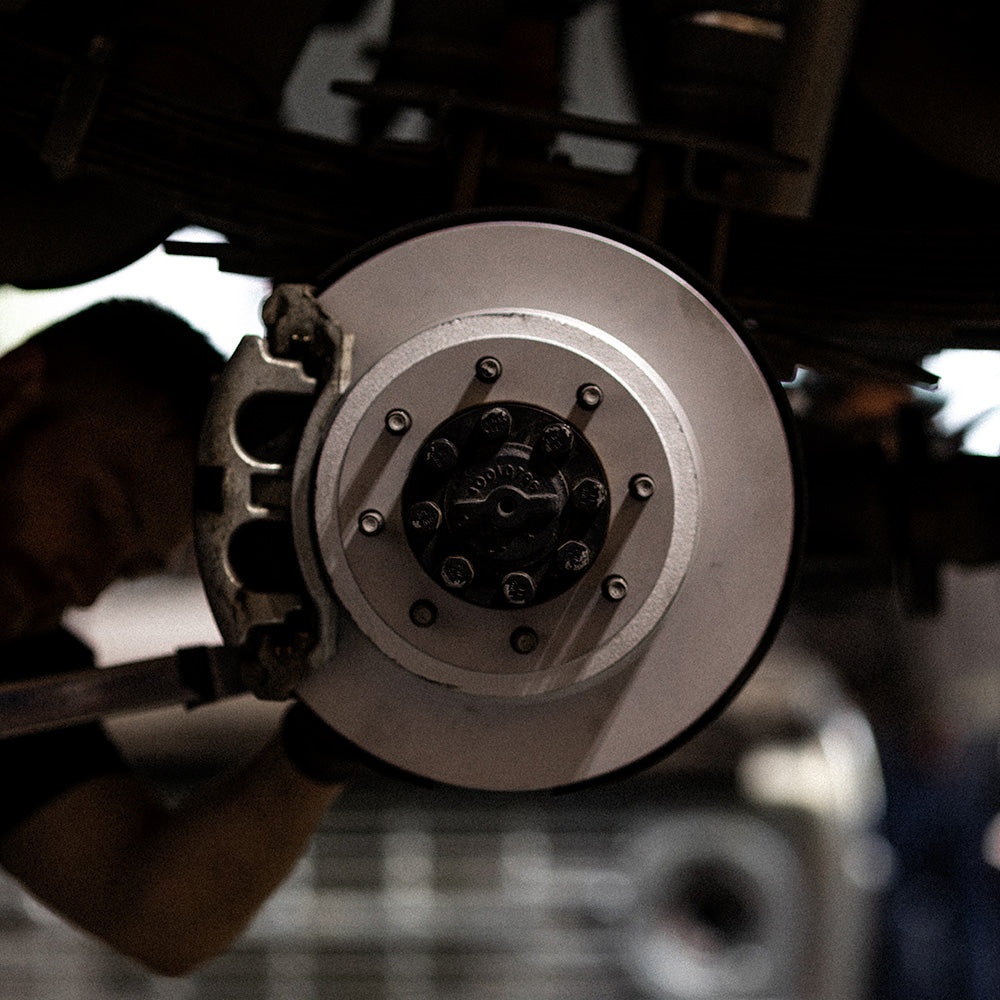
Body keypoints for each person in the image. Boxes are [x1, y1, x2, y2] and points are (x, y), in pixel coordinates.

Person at [0, 299, 351, 976]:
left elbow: (155, 914)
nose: (85, 587)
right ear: (13, 390)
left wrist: (333, 738)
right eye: (97, 512)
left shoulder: (23, 666)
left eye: (127, 570)